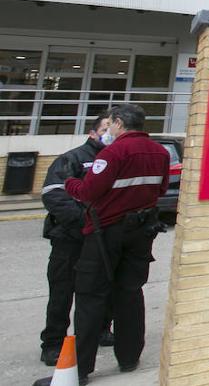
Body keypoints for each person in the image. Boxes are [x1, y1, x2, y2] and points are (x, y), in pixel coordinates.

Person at [35, 104, 169, 386]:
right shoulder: (160, 153)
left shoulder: (112, 153)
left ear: (119, 123)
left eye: (111, 125)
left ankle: (79, 370)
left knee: (90, 296)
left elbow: (87, 192)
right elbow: (160, 190)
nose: (108, 130)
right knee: (130, 293)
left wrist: (71, 183)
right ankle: (129, 357)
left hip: (105, 232)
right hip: (140, 232)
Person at [38, 113, 113, 365]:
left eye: (112, 127)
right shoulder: (73, 159)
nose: (109, 132)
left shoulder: (115, 159)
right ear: (92, 133)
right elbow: (53, 195)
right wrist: (85, 222)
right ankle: (53, 343)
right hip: (70, 238)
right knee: (62, 290)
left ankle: (101, 329)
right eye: (105, 128)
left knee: (100, 288)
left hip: (101, 238)